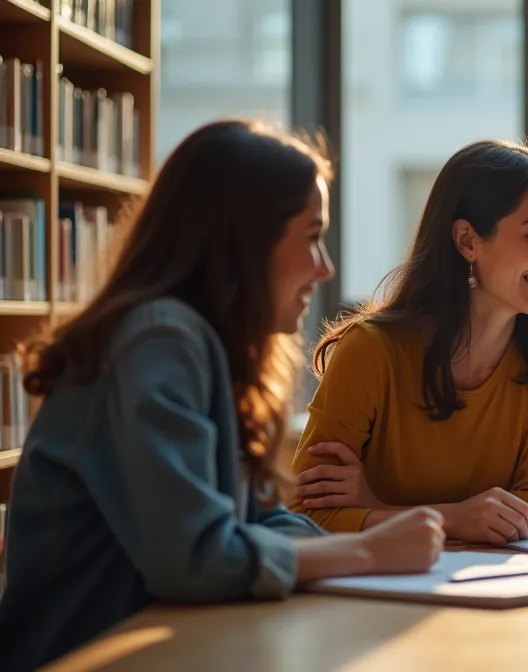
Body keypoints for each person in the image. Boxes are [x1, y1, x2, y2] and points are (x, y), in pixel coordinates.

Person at [0, 120, 446, 672]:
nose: (324, 267)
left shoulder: (203, 345)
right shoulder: (158, 339)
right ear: (247, 240)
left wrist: (377, 535)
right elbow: (196, 560)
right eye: (312, 237)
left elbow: (259, 520)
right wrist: (367, 552)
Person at [288, 139, 528, 543]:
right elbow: (306, 514)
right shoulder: (371, 351)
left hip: (503, 580)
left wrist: (377, 509)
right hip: (384, 579)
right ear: (467, 240)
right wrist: (452, 519)